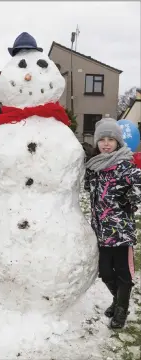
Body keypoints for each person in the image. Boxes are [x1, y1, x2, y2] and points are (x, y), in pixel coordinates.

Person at [84, 118, 141, 329]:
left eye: (111, 139)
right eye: (102, 140)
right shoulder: (95, 167)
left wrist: (129, 202)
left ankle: (121, 310)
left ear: (118, 142)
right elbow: (88, 189)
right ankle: (118, 301)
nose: (106, 143)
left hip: (121, 232)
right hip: (101, 230)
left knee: (123, 273)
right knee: (105, 272)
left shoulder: (125, 164)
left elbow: (139, 185)